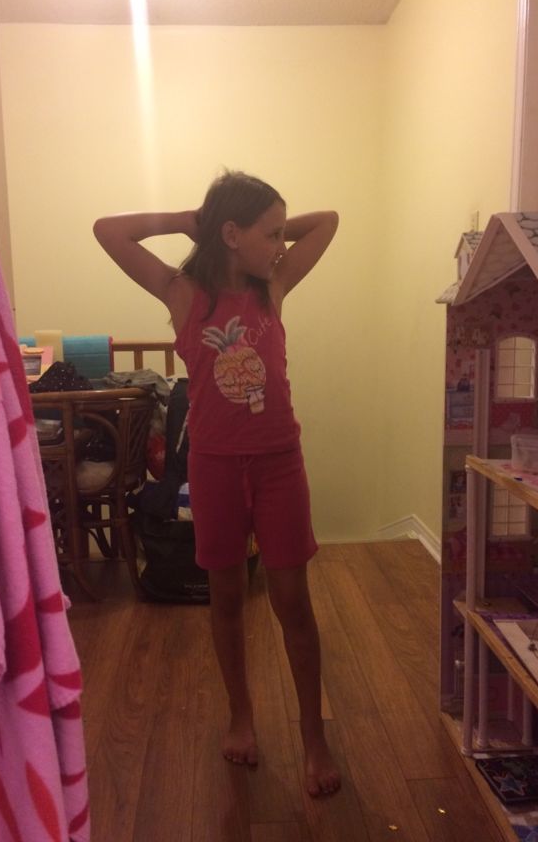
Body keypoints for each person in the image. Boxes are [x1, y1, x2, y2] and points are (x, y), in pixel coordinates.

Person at [93, 170, 340, 797]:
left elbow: (328, 221)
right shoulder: (183, 294)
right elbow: (107, 231)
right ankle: (241, 717)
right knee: (225, 598)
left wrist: (266, 232)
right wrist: (187, 221)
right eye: (270, 234)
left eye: (282, 234)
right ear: (230, 234)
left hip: (279, 464)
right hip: (215, 467)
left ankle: (314, 737)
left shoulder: (273, 285)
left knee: (293, 603)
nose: (281, 245)